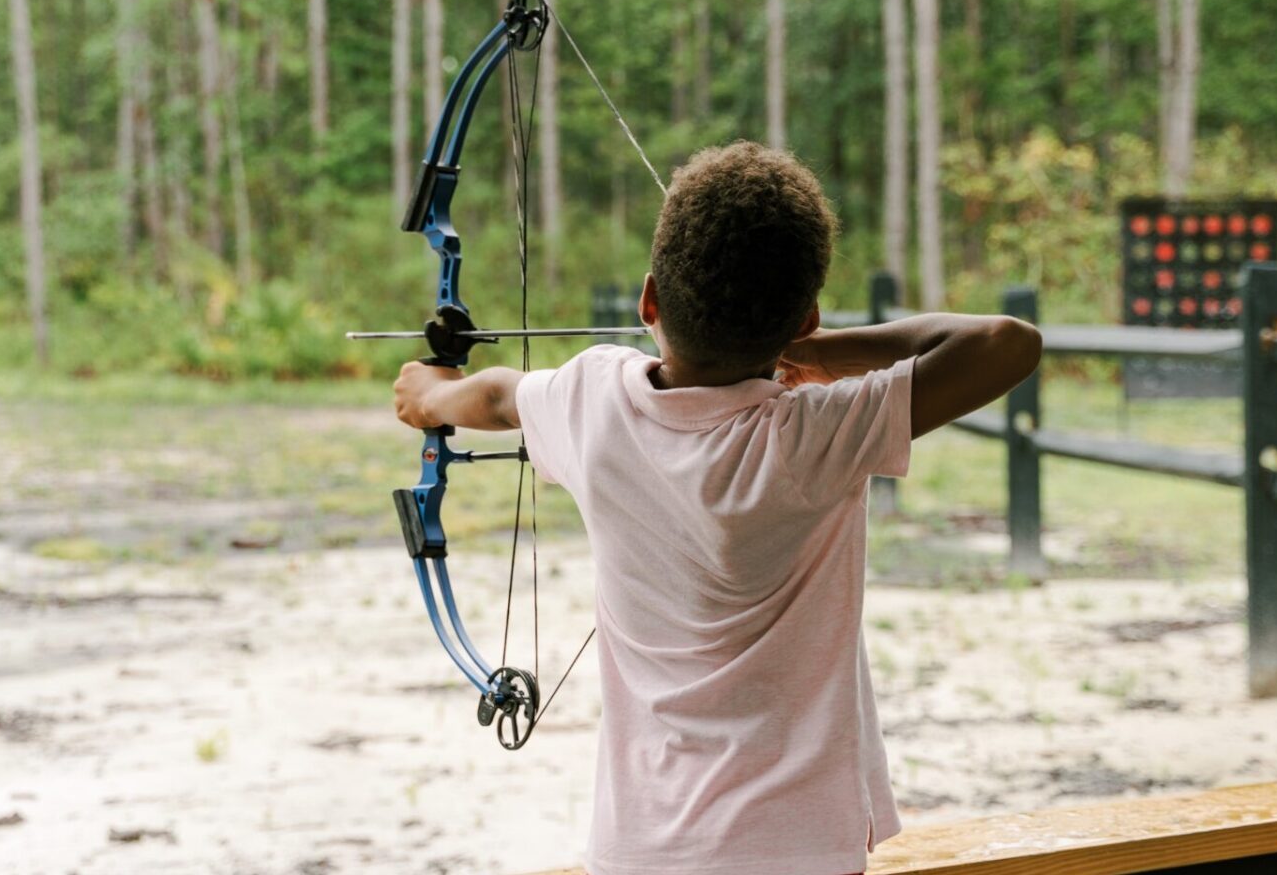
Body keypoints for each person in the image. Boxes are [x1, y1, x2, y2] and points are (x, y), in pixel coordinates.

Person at [392, 142, 1042, 875]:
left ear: (648, 301)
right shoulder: (812, 435)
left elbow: (497, 395)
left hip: (640, 849)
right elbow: (1006, 343)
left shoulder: (593, 397)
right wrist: (826, 352)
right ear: (804, 318)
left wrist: (427, 397)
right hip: (798, 848)